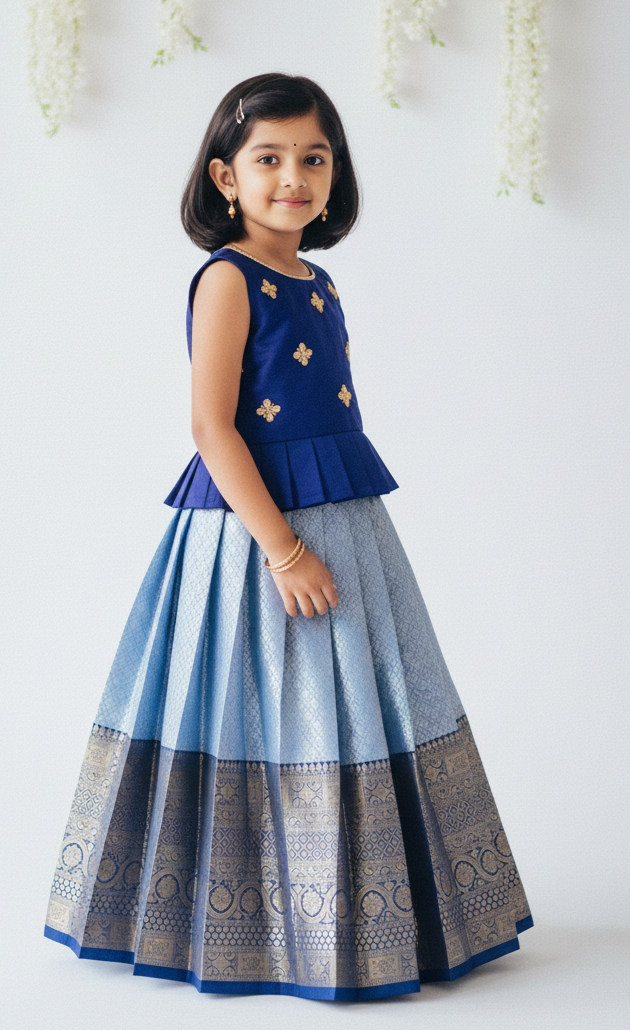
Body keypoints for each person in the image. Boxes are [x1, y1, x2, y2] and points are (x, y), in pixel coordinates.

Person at [44, 73, 532, 1001]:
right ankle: (253, 930)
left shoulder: (321, 280)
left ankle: (366, 918)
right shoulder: (227, 278)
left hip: (344, 523)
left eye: (314, 158)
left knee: (355, 705)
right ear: (225, 177)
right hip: (255, 538)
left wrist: (320, 543)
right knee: (264, 707)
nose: (293, 177)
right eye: (268, 158)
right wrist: (284, 550)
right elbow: (211, 427)